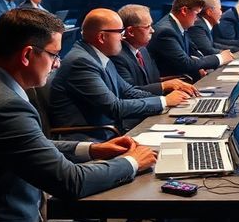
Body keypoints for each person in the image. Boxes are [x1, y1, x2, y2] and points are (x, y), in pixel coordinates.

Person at [0, 8, 156, 222]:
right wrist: (132, 162)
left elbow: (27, 144)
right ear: (27, 55)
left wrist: (92, 149)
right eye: (54, 55)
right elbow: (71, 182)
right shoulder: (6, 106)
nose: (57, 64)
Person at [49, 8, 190, 140]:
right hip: (91, 138)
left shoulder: (99, 56)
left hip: (109, 131)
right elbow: (114, 108)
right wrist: (163, 101)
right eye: (120, 32)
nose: (123, 38)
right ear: (102, 37)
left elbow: (128, 91)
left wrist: (166, 100)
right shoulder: (81, 63)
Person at [112, 4, 199, 99]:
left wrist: (179, 82)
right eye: (147, 27)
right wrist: (164, 86)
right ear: (131, 32)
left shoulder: (143, 50)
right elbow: (130, 93)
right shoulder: (117, 56)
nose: (152, 30)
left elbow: (153, 81)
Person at [149, 0, 234, 80]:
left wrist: (200, 66)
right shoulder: (166, 31)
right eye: (196, 13)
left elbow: (193, 51)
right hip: (173, 84)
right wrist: (219, 58)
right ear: (184, 10)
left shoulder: (179, 26)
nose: (197, 18)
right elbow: (185, 63)